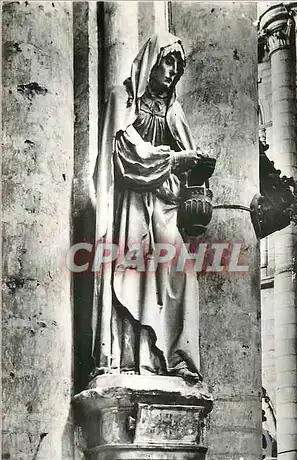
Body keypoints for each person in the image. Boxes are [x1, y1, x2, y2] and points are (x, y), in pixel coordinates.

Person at [92, 32, 211, 383]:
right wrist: (175, 161)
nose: (173, 71)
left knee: (180, 275)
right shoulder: (123, 99)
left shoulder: (175, 111)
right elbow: (125, 155)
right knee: (134, 275)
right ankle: (133, 360)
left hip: (165, 205)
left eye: (179, 65)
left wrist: (195, 169)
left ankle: (174, 359)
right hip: (130, 206)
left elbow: (187, 168)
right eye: (168, 61)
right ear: (151, 61)